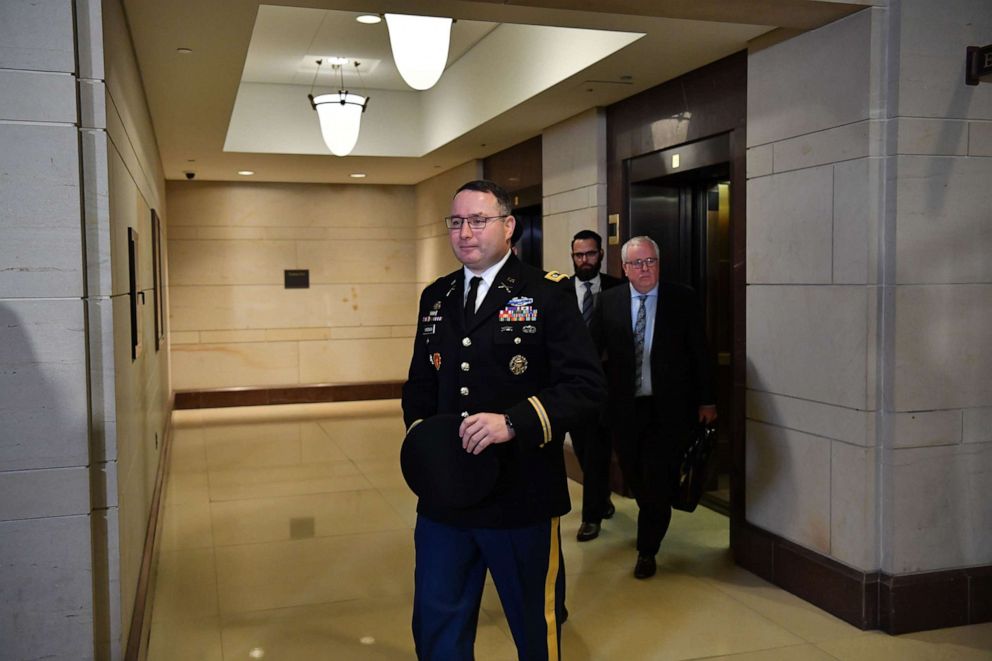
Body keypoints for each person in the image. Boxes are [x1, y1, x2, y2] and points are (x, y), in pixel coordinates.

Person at [402, 180, 606, 659]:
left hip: (521, 496)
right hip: (445, 500)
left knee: (535, 627)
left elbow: (586, 387)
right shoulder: (436, 297)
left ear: (509, 225)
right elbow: (419, 386)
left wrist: (512, 422)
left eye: (478, 220)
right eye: (456, 222)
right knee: (437, 625)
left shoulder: (547, 293)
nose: (465, 232)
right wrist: (423, 441)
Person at [589, 235, 716, 579]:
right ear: (625, 269)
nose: (644, 269)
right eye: (637, 264)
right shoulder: (609, 302)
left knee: (659, 478)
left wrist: (707, 399)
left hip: (669, 408)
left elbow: (699, 352)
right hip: (624, 409)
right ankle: (652, 513)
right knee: (635, 475)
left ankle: (647, 549)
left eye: (650, 262)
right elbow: (589, 350)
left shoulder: (682, 299)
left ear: (658, 264)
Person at [564, 230, 623, 542]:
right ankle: (602, 498)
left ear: (601, 254)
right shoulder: (559, 290)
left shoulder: (617, 288)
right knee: (584, 450)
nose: (584, 260)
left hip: (604, 387)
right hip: (570, 385)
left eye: (590, 254)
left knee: (598, 449)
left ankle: (591, 518)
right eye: (578, 255)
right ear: (572, 256)